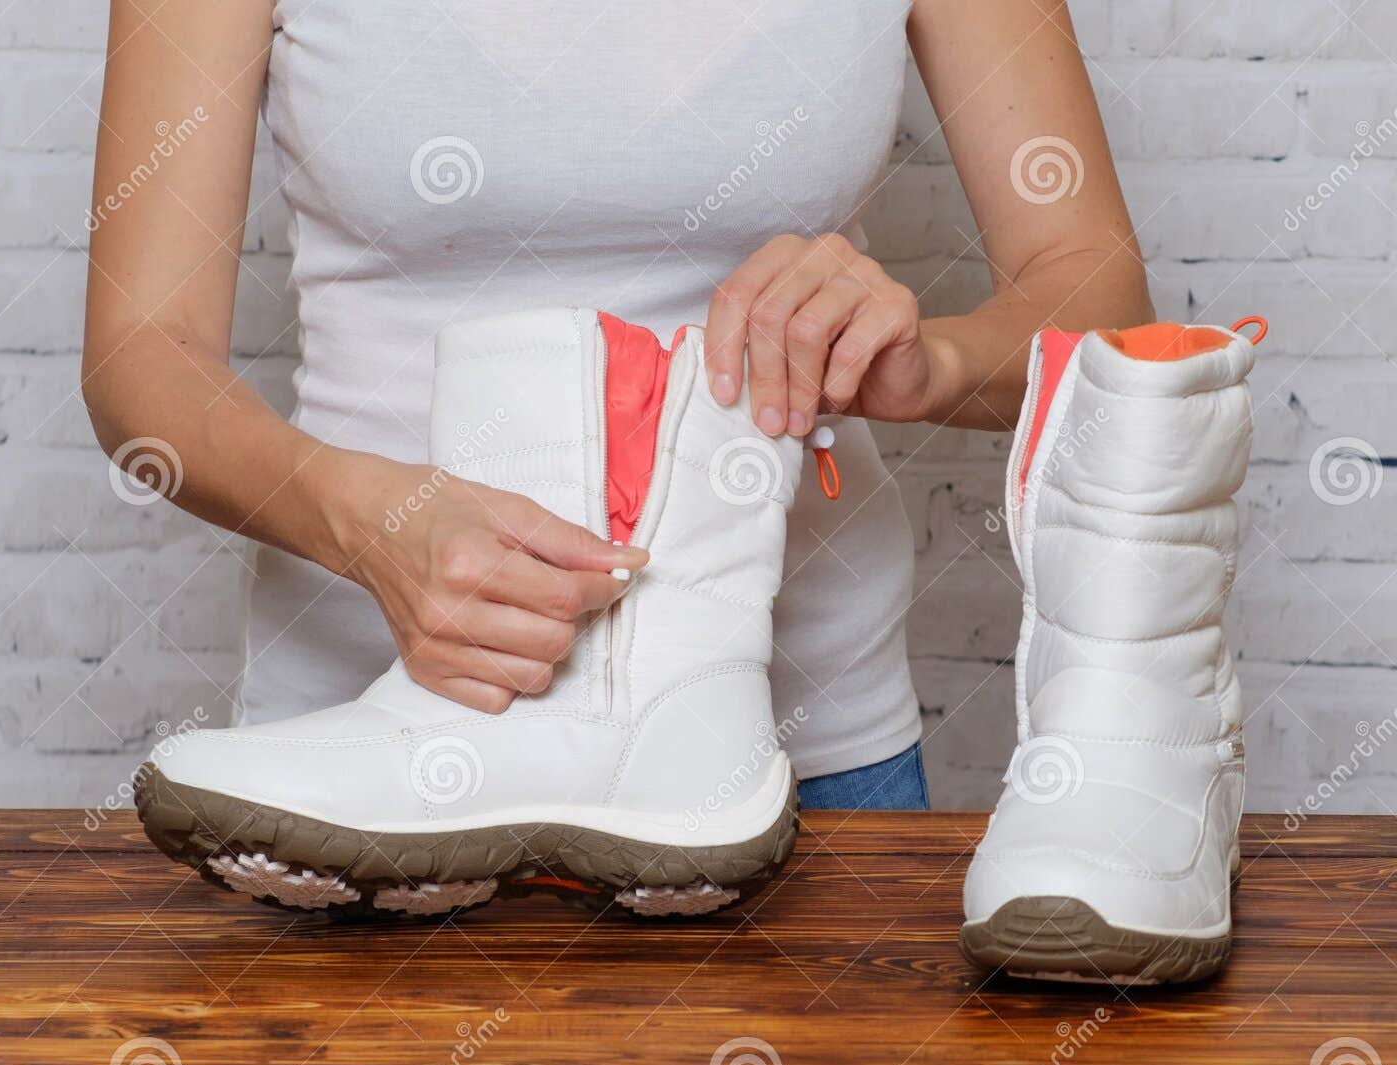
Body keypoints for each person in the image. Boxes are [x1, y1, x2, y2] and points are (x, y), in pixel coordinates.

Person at [82, 0, 1153, 813]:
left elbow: (1096, 296)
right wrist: (369, 528)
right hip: (361, 739)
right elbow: (143, 359)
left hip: (798, 750)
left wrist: (931, 359)